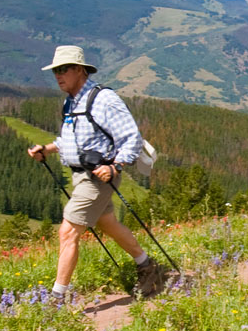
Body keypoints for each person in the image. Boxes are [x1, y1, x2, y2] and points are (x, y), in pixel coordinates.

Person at [27, 45, 162, 301]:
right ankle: (146, 266)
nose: (58, 75)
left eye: (64, 69)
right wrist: (47, 148)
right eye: (56, 70)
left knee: (68, 231)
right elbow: (71, 139)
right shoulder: (71, 101)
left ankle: (57, 299)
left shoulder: (104, 100)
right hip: (81, 176)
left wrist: (115, 167)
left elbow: (132, 138)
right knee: (107, 223)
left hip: (99, 178)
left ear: (79, 70)